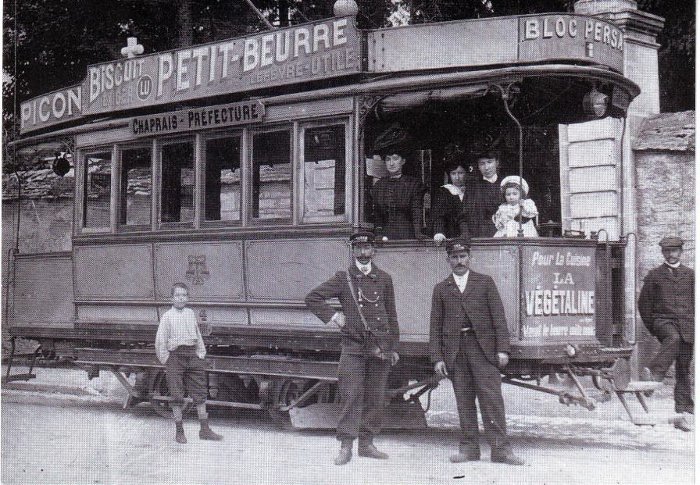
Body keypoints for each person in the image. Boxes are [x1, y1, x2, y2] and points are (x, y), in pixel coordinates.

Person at [305, 231, 400, 465]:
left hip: (380, 348)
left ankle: (367, 444)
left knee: (376, 398)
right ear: (353, 251)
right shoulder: (344, 278)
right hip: (354, 347)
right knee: (350, 397)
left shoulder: (384, 278)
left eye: (367, 248)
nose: (363, 253)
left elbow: (391, 315)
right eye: (358, 249)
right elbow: (313, 298)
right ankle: (346, 446)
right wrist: (335, 317)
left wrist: (393, 347)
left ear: (374, 250)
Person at [429, 238, 524, 465]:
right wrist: (437, 358)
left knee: (491, 399)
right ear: (448, 260)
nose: (459, 261)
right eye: (454, 257)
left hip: (483, 350)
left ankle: (501, 450)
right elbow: (435, 326)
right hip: (456, 352)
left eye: (463, 257)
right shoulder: (441, 288)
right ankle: (469, 449)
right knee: (464, 400)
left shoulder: (484, 282)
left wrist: (503, 349)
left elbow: (499, 318)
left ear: (470, 258)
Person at [155, 282, 223, 444]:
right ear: (172, 298)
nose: (181, 298)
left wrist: (200, 353)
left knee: (200, 393)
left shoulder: (191, 313)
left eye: (184, 295)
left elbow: (197, 335)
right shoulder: (167, 317)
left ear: (187, 297)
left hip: (192, 356)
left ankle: (204, 429)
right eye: (177, 295)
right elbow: (160, 341)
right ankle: (179, 431)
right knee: (177, 395)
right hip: (175, 357)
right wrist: (167, 359)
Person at [638, 236, 694, 430]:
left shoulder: (691, 275)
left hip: (688, 326)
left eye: (674, 251)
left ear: (680, 252)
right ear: (662, 253)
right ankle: (654, 375)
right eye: (667, 251)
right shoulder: (654, 275)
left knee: (684, 370)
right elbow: (643, 304)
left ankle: (683, 412)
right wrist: (653, 326)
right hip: (664, 322)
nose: (671, 255)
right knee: (673, 338)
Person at [369, 150, 424, 240]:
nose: (391, 163)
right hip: (384, 237)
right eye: (388, 159)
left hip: (407, 236)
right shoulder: (379, 185)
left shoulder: (413, 184)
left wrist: (418, 234)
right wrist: (378, 234)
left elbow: (416, 212)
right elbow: (377, 215)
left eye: (395, 159)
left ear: (403, 161)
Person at [459, 151, 503, 238]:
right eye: (482, 164)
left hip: (504, 237)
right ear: (478, 166)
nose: (486, 167)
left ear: (497, 163)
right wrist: (465, 233)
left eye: (489, 162)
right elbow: (463, 216)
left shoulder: (506, 184)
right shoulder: (472, 187)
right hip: (479, 237)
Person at [432, 159, 470, 244]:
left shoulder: (472, 191)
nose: (457, 177)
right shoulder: (444, 192)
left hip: (471, 235)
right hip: (451, 234)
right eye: (453, 173)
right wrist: (439, 232)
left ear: (466, 174)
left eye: (460, 173)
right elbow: (439, 216)